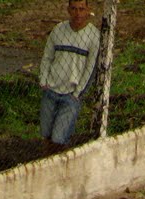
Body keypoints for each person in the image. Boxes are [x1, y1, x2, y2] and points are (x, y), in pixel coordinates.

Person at [39, 0, 100, 153]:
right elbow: (47, 57)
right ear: (68, 10)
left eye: (81, 9)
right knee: (46, 134)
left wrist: (78, 93)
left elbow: (90, 68)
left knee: (59, 138)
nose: (77, 13)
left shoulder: (93, 36)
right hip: (51, 88)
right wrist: (43, 80)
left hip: (71, 94)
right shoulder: (59, 30)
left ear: (88, 10)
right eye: (74, 9)